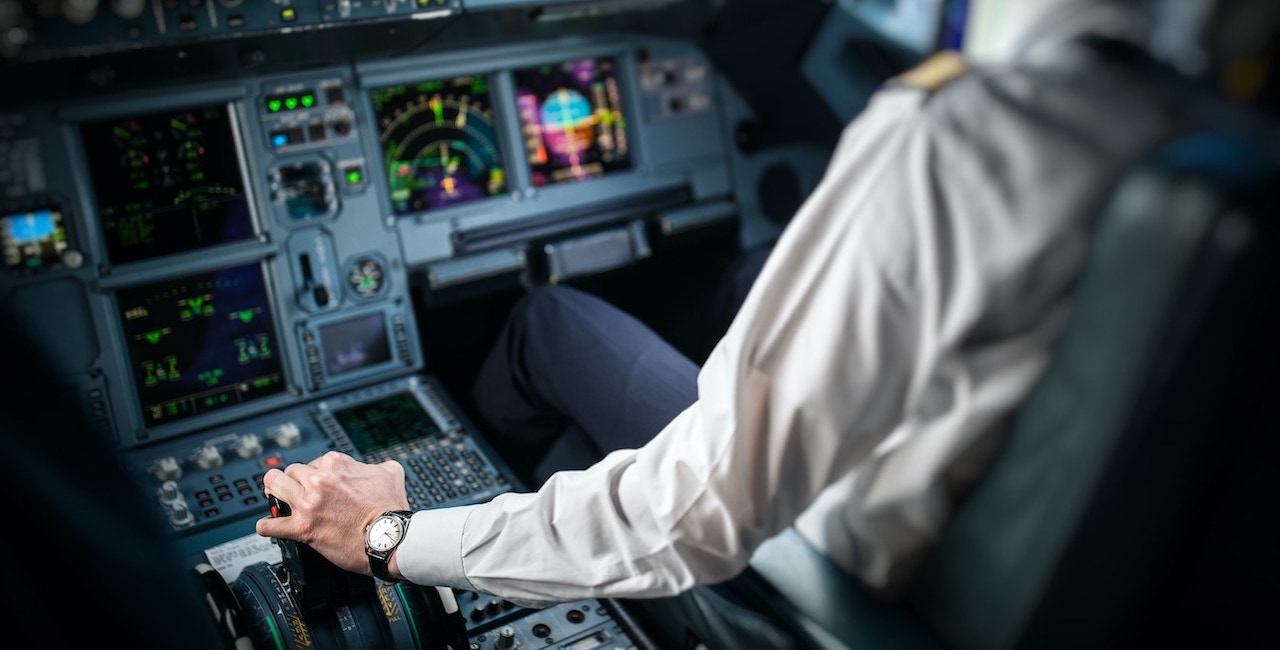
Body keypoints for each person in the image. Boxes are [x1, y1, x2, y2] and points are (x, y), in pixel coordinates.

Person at [257, 0, 1239, 623]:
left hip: (826, 577)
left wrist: (394, 534)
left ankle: (511, 511)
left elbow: (691, 514)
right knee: (755, 272)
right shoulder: (1215, 144)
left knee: (548, 322)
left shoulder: (971, 133)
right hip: (1045, 533)